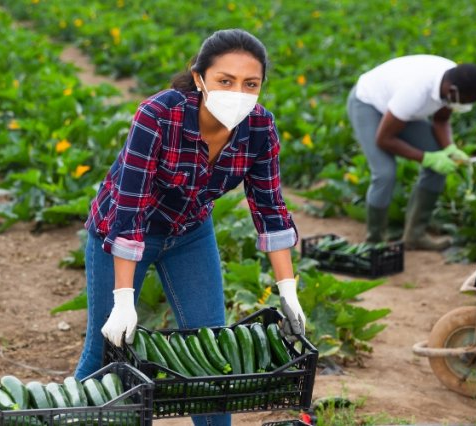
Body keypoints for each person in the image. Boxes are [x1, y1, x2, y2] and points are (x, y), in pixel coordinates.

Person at [76, 29, 306, 426]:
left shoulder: (260, 129)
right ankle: (72, 416)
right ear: (200, 79)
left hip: (190, 235)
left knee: (210, 353)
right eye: (225, 81)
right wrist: (125, 298)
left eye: (250, 84)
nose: (238, 92)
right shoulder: (159, 115)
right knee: (106, 347)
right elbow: (130, 208)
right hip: (123, 231)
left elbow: (270, 209)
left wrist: (288, 292)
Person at [348, 55, 476, 250]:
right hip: (368, 104)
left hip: (399, 111)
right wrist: (427, 158)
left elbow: (441, 120)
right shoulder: (415, 91)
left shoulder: (452, 81)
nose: (463, 105)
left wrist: (449, 148)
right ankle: (374, 243)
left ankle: (414, 235)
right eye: (463, 101)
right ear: (452, 91)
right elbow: (384, 139)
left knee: (441, 164)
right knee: (385, 173)